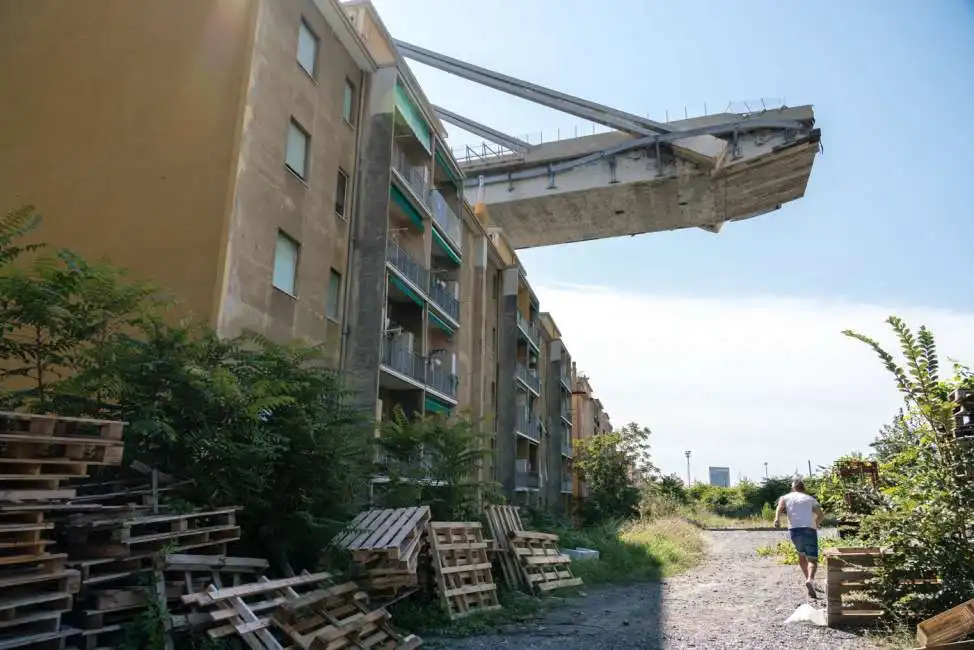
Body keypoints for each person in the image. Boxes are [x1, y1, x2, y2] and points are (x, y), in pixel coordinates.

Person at [774, 478, 824, 598]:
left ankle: (807, 579)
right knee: (812, 559)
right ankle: (810, 580)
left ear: (793, 488)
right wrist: (816, 524)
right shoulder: (810, 499)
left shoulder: (785, 497)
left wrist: (776, 519)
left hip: (794, 530)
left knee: (801, 555)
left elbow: (779, 508)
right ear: (804, 488)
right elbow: (821, 514)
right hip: (809, 529)